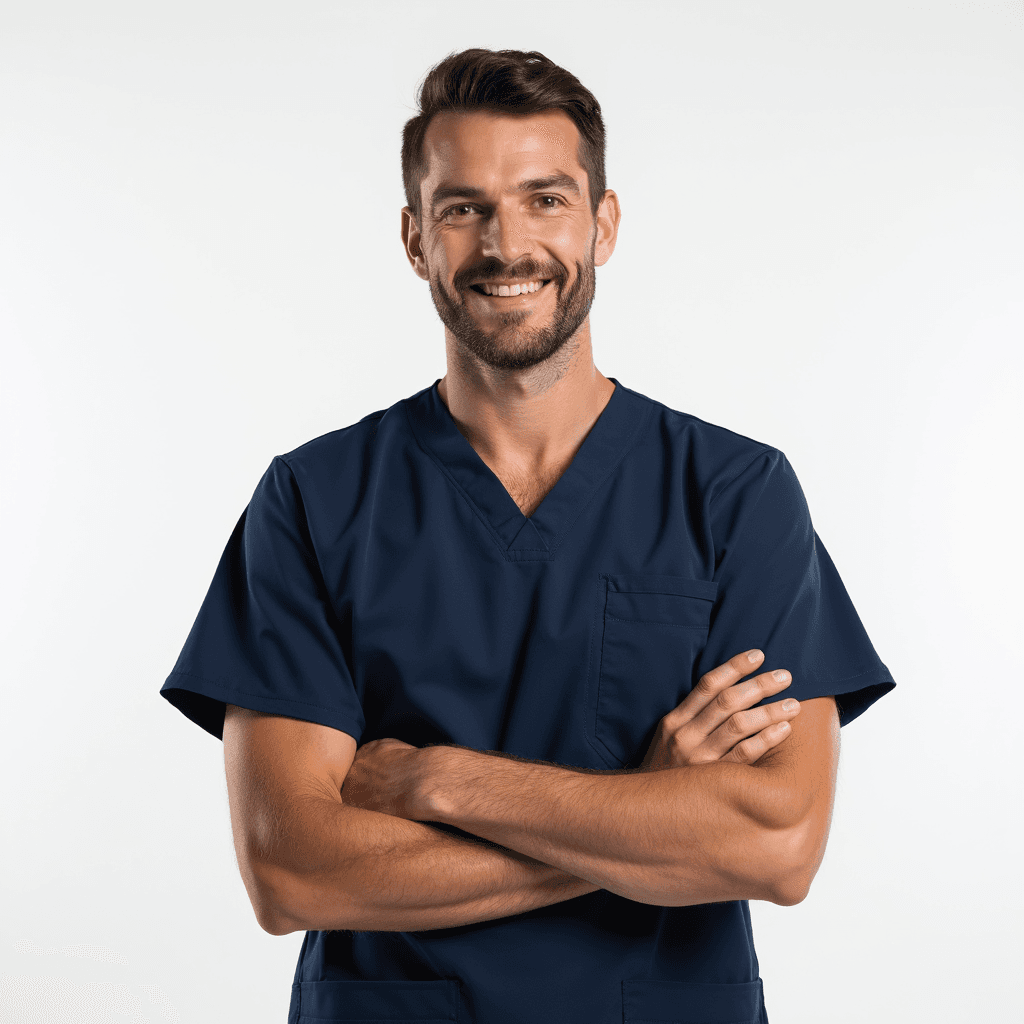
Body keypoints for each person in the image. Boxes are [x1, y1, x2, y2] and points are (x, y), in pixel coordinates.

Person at [161, 48, 895, 1024]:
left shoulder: (735, 494)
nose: (507, 246)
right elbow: (293, 870)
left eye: (545, 200)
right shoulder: (315, 499)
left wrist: (439, 778)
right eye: (463, 208)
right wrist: (646, 811)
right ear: (415, 239)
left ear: (603, 223)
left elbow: (776, 845)